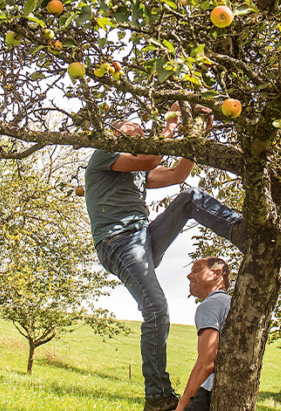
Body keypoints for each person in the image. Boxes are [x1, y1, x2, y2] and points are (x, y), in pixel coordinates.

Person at [83, 104, 247, 411]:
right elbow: (153, 156)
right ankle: (157, 396)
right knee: (156, 308)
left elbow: (177, 174)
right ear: (116, 132)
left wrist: (197, 137)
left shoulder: (136, 172)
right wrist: (172, 117)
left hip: (142, 238)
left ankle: (242, 231)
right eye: (136, 130)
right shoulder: (105, 151)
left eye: (145, 132)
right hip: (118, 243)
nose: (143, 134)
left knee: (188, 197)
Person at [175, 257, 232, 411]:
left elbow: (207, 360)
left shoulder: (210, 305)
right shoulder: (230, 303)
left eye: (197, 270)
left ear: (217, 274)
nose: (189, 276)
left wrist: (182, 405)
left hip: (209, 392)